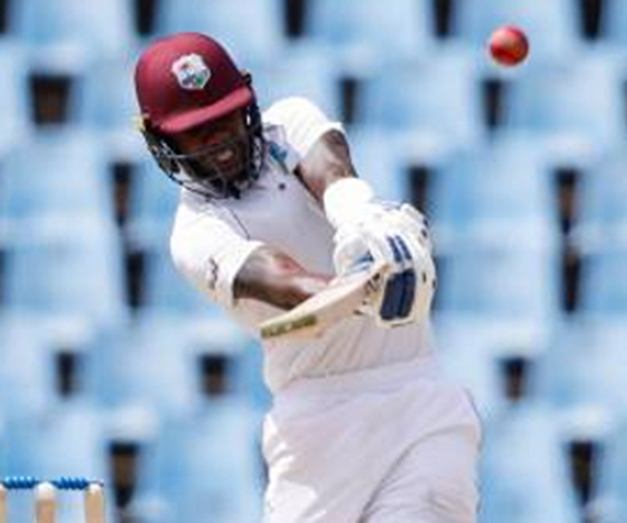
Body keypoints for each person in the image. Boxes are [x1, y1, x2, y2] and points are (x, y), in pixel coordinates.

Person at [133, 32, 481, 523]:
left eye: (223, 117)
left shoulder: (288, 123)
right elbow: (283, 282)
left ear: (247, 101)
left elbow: (334, 176)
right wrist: (372, 284)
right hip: (318, 424)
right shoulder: (194, 234)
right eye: (196, 130)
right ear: (160, 138)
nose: (218, 139)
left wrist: (370, 226)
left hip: (418, 394)